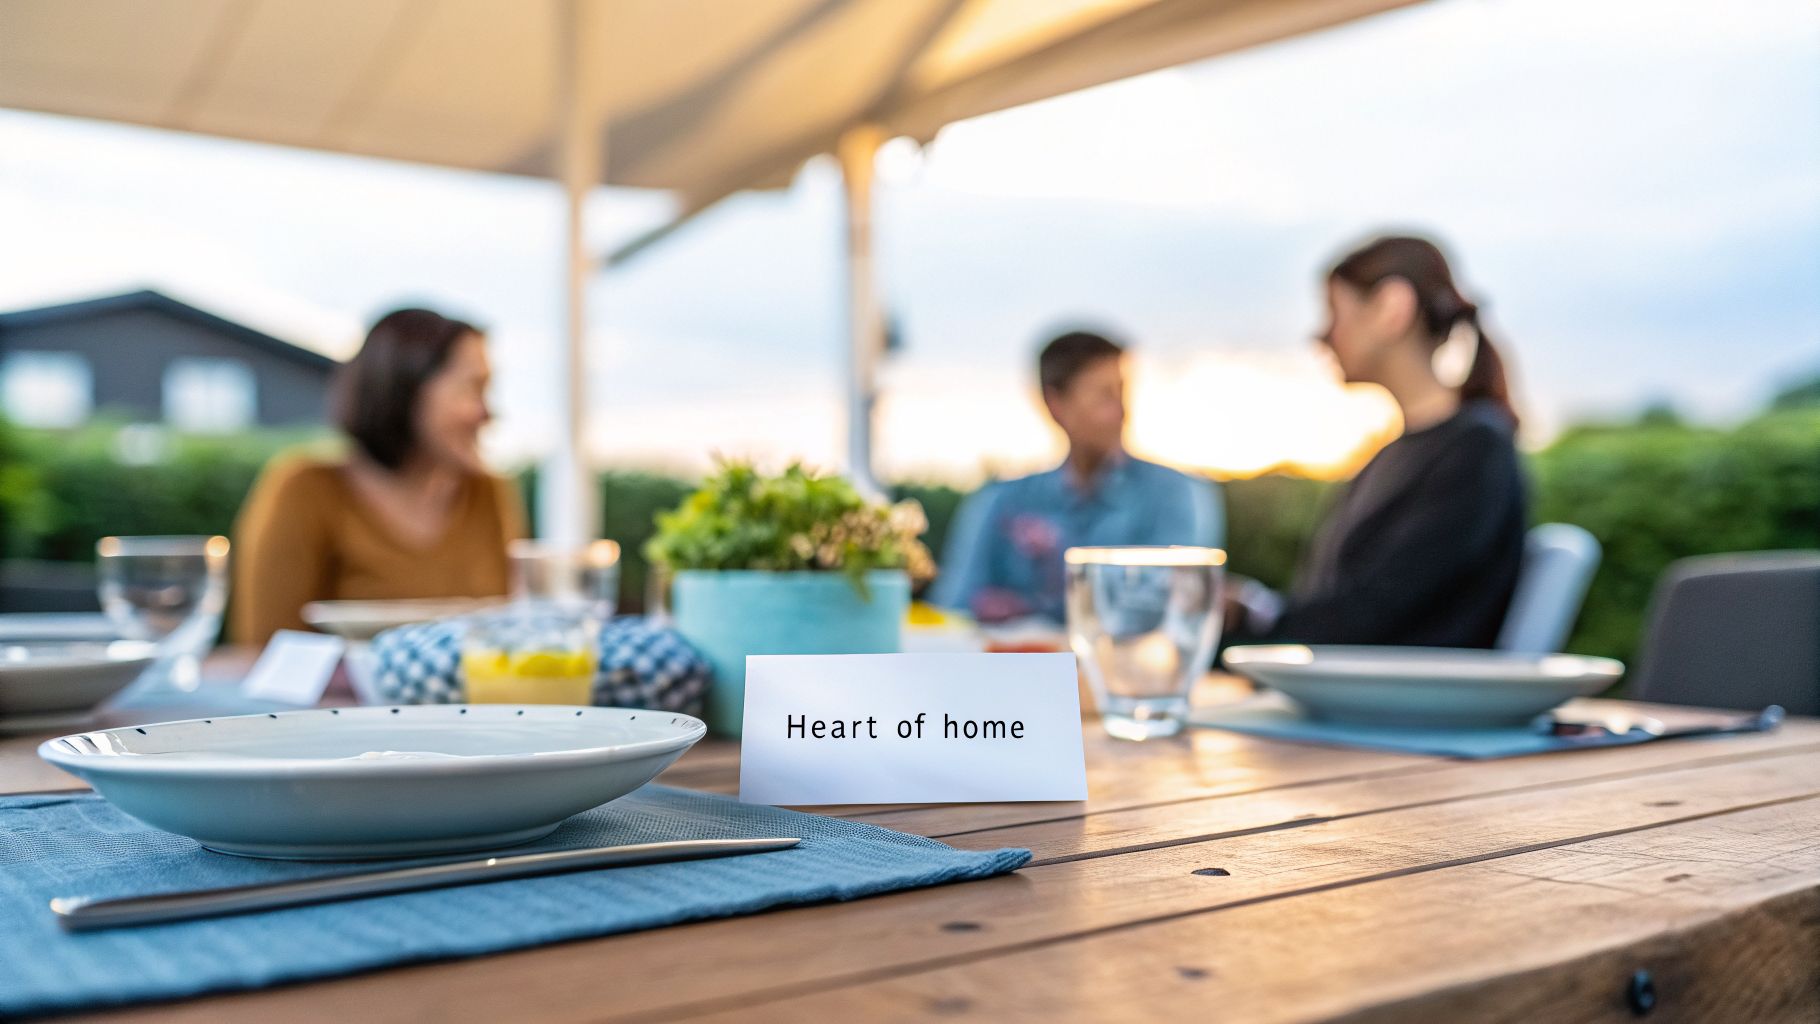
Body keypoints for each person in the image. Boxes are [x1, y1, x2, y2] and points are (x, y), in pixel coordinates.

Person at [1225, 235, 1528, 649]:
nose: (1322, 336)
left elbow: (1376, 616)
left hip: (1393, 687)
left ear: (1391, 308)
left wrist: (1244, 633)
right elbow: (1342, 602)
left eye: (1335, 312)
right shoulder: (1396, 454)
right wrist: (1253, 611)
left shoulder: (1474, 449)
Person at [230, 308, 523, 645]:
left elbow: (506, 633)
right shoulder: (306, 489)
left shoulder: (487, 491)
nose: (488, 413)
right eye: (473, 388)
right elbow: (266, 647)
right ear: (405, 390)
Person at [933, 330, 1223, 624]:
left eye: (1123, 391)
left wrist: (1030, 609)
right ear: (1056, 404)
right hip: (1014, 657)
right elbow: (955, 608)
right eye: (1104, 396)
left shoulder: (1174, 494)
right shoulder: (1000, 501)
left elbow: (1170, 607)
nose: (1122, 411)